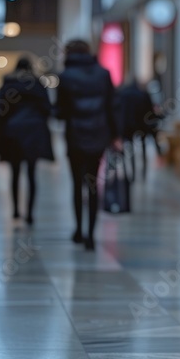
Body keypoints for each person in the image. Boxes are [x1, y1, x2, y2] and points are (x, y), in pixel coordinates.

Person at [55, 39, 121, 250]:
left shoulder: (65, 77)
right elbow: (113, 107)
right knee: (93, 184)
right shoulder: (103, 74)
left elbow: (60, 111)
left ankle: (78, 230)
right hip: (98, 134)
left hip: (75, 135)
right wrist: (115, 135)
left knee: (76, 183)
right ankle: (91, 235)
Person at [0, 57, 54, 225]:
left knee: (15, 173)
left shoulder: (8, 84)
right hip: (33, 132)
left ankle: (15, 211)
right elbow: (47, 109)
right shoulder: (37, 84)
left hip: (13, 133)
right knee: (32, 174)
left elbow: (0, 111)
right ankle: (30, 213)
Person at [114, 77, 158, 178]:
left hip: (127, 125)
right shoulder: (142, 94)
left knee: (127, 149)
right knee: (142, 146)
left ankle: (130, 172)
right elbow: (149, 111)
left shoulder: (122, 94)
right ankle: (143, 172)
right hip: (141, 124)